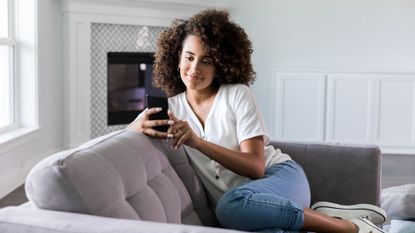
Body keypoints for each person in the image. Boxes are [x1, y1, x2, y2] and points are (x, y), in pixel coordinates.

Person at [128, 9, 387, 233]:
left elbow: (256, 168)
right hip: (251, 212)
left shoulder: (237, 95)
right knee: (248, 218)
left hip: (281, 179)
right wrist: (135, 127)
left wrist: (197, 142)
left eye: (206, 60)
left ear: (221, 65)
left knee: (229, 208)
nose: (195, 68)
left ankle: (350, 228)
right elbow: (123, 138)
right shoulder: (171, 109)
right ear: (177, 58)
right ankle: (322, 216)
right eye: (189, 57)